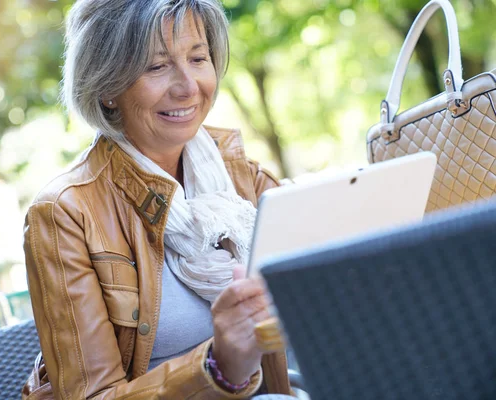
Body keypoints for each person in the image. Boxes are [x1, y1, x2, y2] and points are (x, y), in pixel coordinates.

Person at [21, 0, 293, 399]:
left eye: (198, 58)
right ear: (108, 86)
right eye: (157, 66)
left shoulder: (241, 175)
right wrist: (219, 367)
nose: (187, 86)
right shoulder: (65, 214)